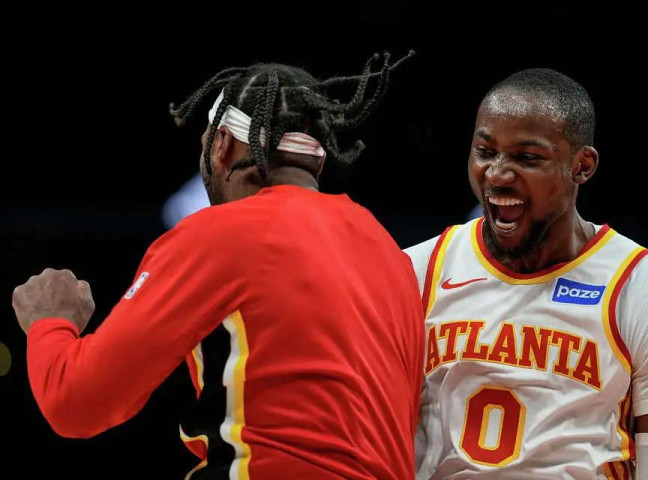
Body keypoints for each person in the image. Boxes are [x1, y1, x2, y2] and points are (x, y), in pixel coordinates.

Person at [12, 52, 424, 480]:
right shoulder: (392, 257)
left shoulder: (220, 233)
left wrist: (50, 322)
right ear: (316, 159)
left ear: (223, 145)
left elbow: (77, 402)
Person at [406, 68, 648, 479]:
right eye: (486, 151)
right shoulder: (417, 271)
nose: (497, 174)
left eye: (527, 158)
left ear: (582, 165)